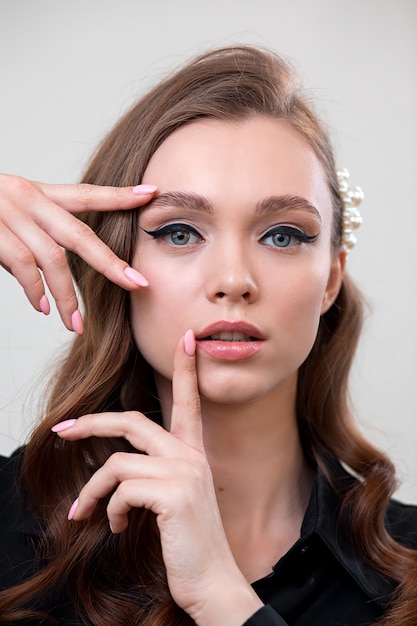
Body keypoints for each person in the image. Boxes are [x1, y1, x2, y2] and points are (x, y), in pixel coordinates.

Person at [0, 45, 416, 626]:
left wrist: (225, 598)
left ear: (330, 281)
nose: (232, 281)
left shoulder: (410, 565)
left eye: (282, 235)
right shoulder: (9, 517)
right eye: (178, 232)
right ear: (112, 259)